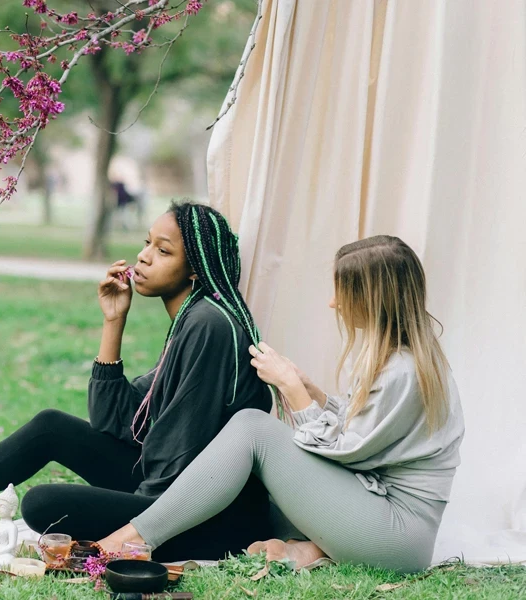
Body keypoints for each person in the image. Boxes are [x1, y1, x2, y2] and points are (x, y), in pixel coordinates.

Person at [0, 201, 274, 561]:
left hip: (204, 517)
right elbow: (113, 420)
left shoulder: (209, 325)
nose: (143, 256)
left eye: (163, 251)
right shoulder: (192, 319)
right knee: (50, 426)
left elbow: (181, 447)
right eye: (146, 243)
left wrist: (135, 525)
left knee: (42, 504)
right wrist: (113, 322)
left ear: (195, 269)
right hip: (171, 488)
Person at [98, 235, 465, 573]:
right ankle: (313, 549)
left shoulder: (403, 371)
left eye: (341, 292)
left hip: (396, 534)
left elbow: (348, 452)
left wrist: (293, 389)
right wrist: (314, 391)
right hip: (379, 516)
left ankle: (133, 538)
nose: (333, 302)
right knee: (254, 482)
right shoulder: (402, 358)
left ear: (369, 299)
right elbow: (366, 431)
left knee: (253, 429)